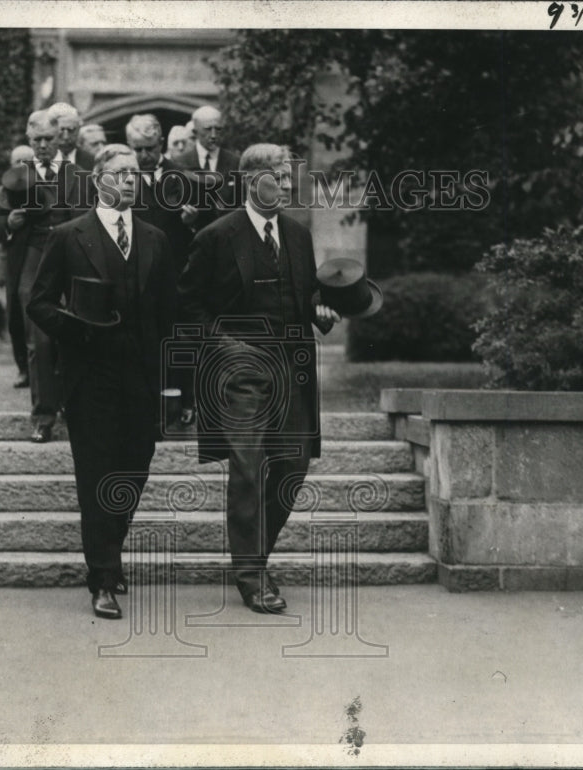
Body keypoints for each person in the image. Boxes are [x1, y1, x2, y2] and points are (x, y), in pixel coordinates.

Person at [177, 143, 341, 613]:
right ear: (253, 182)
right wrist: (225, 345)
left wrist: (321, 312)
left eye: (291, 178)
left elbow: (304, 297)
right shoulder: (215, 236)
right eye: (280, 178)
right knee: (248, 470)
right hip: (238, 374)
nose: (290, 185)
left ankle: (257, 558)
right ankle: (252, 577)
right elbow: (189, 306)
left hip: (291, 369)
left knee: (292, 469)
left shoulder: (296, 234)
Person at [27, 144, 177, 620]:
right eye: (121, 173)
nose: (131, 180)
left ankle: (110, 549)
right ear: (99, 181)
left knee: (134, 469)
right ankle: (103, 577)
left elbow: (169, 314)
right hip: (90, 375)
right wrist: (79, 330)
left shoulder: (155, 238)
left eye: (135, 173)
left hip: (142, 374)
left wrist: (175, 381)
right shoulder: (70, 236)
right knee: (96, 477)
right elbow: (39, 302)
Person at [0, 111, 83, 442]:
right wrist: (9, 224)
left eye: (48, 139)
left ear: (60, 139)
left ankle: (75, 407)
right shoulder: (16, 177)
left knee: (73, 333)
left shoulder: (77, 175)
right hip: (33, 257)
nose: (42, 145)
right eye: (36, 140)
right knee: (38, 338)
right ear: (29, 142)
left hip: (71, 259)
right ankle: (43, 416)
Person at [125, 113, 198, 426]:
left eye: (150, 149)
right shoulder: (122, 178)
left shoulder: (183, 177)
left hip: (174, 274)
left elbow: (208, 230)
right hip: (133, 273)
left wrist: (192, 224)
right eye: (137, 149)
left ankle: (186, 401)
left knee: (178, 339)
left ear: (161, 144)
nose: (143, 156)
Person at [0, 144, 34, 387]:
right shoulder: (1, 193)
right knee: (14, 316)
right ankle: (23, 367)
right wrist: (8, 225)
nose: (22, 166)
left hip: (39, 257)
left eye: (28, 161)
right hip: (12, 258)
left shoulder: (44, 188)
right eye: (18, 162)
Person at [175, 105, 242, 232]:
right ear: (195, 132)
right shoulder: (179, 163)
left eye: (218, 129)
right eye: (207, 129)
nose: (213, 135)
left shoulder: (235, 163)